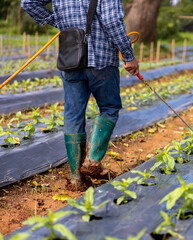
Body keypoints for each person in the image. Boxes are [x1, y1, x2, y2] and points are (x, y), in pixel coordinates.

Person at [21, 0, 139, 187]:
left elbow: (28, 3)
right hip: (101, 59)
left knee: (73, 115)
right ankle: (92, 162)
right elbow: (112, 20)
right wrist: (128, 55)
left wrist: (59, 22)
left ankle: (76, 178)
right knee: (109, 108)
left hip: (71, 60)